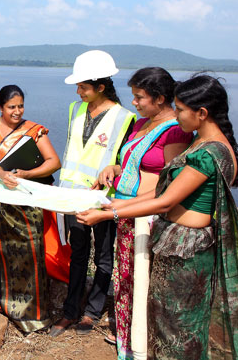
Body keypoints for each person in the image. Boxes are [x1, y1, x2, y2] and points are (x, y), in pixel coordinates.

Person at [77, 74, 238, 359]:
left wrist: (110, 214)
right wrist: (114, 206)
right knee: (167, 321)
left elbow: (165, 200)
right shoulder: (202, 145)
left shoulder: (209, 154)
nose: (175, 116)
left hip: (187, 248)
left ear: (201, 113)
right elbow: (164, 192)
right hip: (178, 243)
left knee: (179, 328)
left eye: (180, 110)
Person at [92, 67, 192, 357]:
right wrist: (113, 168)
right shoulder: (140, 124)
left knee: (145, 280)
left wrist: (126, 206)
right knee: (126, 279)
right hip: (125, 210)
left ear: (160, 99)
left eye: (139, 97)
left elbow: (169, 184)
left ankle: (144, 344)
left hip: (148, 216)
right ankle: (128, 341)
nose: (133, 103)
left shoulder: (175, 130)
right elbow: (134, 163)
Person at [49, 50, 135, 338]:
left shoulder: (125, 118)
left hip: (104, 199)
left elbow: (129, 160)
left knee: (103, 257)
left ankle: (92, 311)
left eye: (83, 86)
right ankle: (70, 311)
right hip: (73, 196)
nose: (78, 91)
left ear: (101, 87)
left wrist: (116, 165)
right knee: (77, 254)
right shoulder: (75, 109)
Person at [0, 85, 61, 332]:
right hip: (1, 201)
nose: (16, 111)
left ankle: (33, 312)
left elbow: (54, 162)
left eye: (20, 106)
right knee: (3, 250)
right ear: (0, 106)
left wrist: (27, 174)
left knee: (33, 250)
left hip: (29, 200)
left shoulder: (34, 130)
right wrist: (1, 174)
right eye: (11, 107)